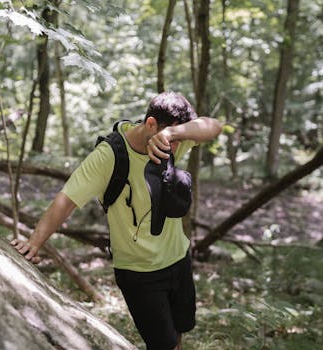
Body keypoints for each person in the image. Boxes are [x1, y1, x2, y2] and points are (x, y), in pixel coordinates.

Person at [11, 92, 223, 350]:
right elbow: (66, 200)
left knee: (178, 332)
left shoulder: (171, 140)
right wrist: (34, 243)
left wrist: (172, 135)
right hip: (140, 272)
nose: (176, 149)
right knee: (164, 345)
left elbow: (214, 126)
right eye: (169, 134)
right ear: (151, 124)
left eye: (179, 139)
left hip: (178, 258)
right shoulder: (109, 156)